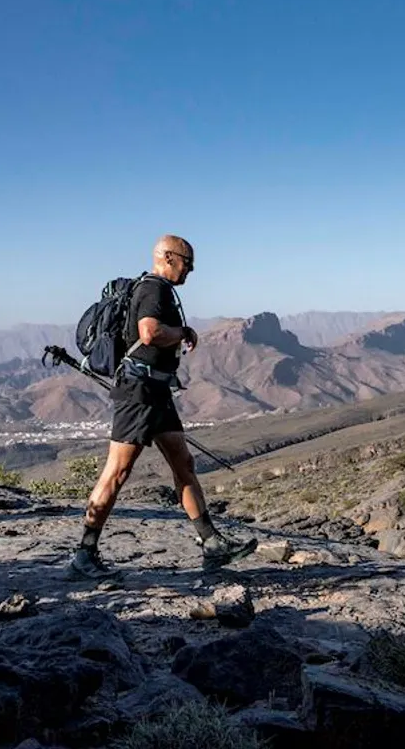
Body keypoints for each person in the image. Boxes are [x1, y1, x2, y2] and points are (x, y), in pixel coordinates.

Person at [68, 234, 258, 579]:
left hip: (156, 391)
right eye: (188, 263)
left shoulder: (159, 290)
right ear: (168, 258)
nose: (191, 271)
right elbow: (149, 333)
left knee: (184, 463)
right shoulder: (153, 290)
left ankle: (211, 544)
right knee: (117, 472)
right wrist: (182, 331)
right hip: (139, 392)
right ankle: (84, 553)